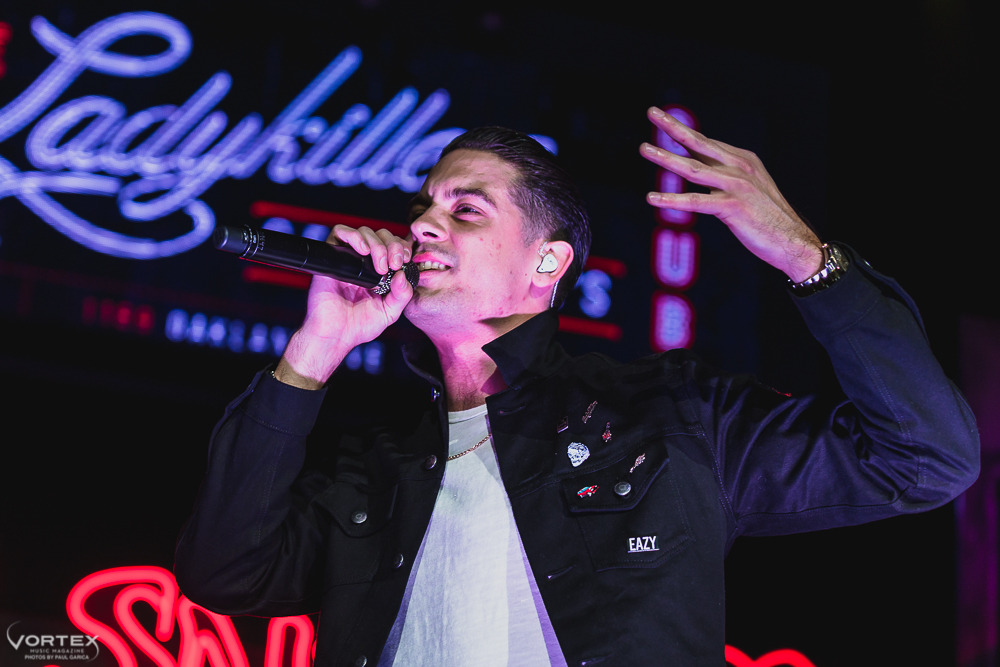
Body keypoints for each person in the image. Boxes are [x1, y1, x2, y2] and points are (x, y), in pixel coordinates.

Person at [174, 107, 980, 666]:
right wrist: (316, 350)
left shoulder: (672, 420)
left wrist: (808, 259)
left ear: (547, 264)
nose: (423, 224)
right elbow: (223, 572)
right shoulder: (378, 469)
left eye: (466, 210)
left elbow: (928, 456)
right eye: (423, 205)